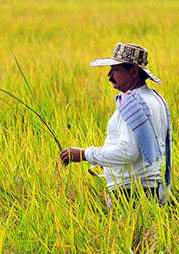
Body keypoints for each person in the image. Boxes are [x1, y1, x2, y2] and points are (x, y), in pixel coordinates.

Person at [59, 42, 171, 207]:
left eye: (115, 70)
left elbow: (128, 152)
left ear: (133, 72)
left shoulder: (133, 102)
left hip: (131, 194)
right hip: (150, 190)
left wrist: (84, 154)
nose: (109, 75)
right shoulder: (154, 98)